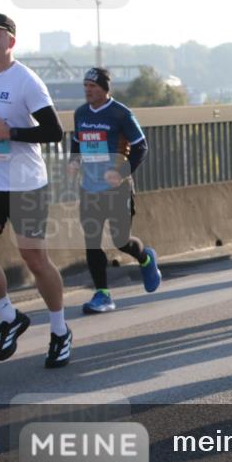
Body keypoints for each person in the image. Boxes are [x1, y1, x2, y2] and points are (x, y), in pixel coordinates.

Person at [0, 13, 73, 368]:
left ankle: (60, 330)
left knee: (34, 260)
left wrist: (11, 133)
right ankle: (9, 317)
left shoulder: (26, 81)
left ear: (11, 42)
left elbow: (54, 131)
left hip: (25, 184)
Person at [69, 68, 161, 314]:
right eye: (85, 86)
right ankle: (103, 294)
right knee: (92, 242)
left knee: (121, 241)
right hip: (89, 188)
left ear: (105, 88)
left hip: (116, 189)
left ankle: (145, 258)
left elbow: (141, 147)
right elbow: (77, 142)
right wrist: (73, 162)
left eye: (93, 86)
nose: (88, 90)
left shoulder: (121, 113)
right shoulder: (80, 113)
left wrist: (120, 173)